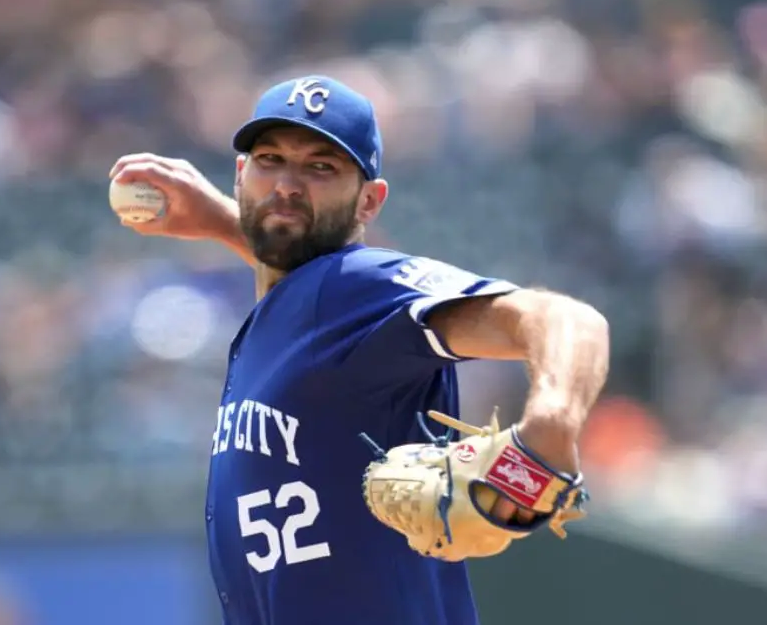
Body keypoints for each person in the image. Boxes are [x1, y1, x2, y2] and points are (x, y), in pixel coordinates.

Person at [109, 75, 610, 625]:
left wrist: (552, 421)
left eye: (321, 167)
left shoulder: (356, 286)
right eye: (269, 159)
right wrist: (221, 221)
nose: (287, 185)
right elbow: (297, 278)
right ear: (239, 175)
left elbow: (566, 319)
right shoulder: (294, 309)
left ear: (369, 201)